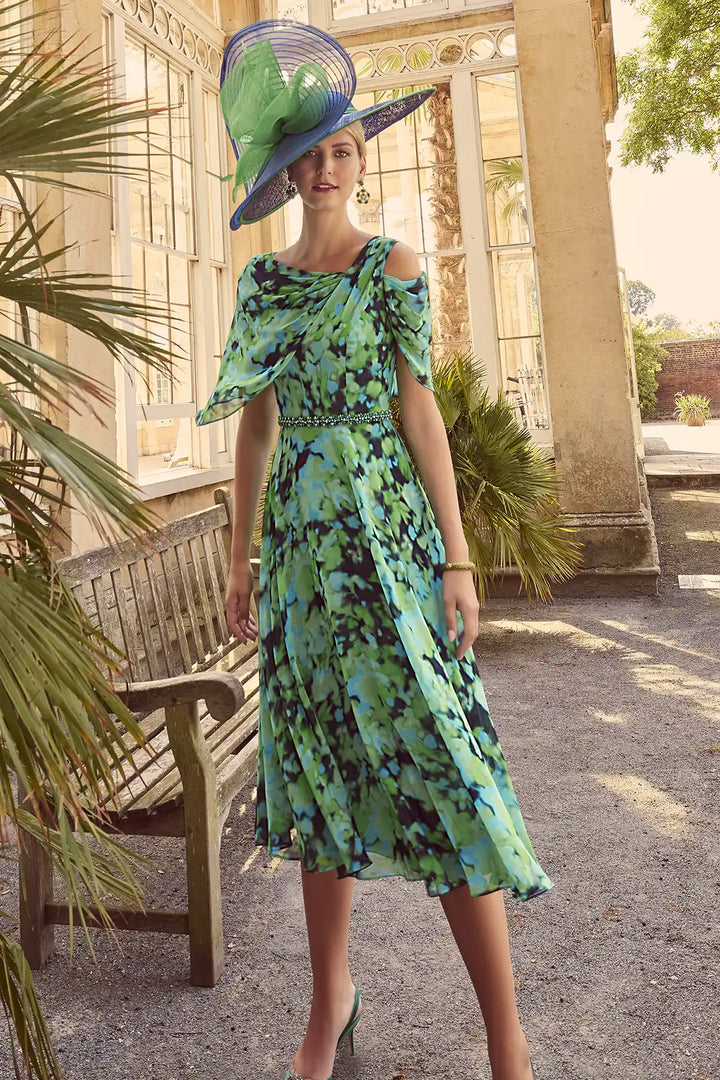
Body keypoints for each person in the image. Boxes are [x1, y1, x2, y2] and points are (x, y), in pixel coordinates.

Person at [195, 20, 554, 1080]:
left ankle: (507, 1037)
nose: (326, 166)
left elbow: (420, 411)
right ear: (285, 168)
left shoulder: (391, 263)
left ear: (362, 159)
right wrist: (240, 560)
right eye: (308, 151)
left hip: (389, 543)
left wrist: (457, 556)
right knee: (314, 768)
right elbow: (256, 429)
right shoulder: (263, 290)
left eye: (342, 149)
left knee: (440, 754)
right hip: (302, 555)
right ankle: (328, 1009)